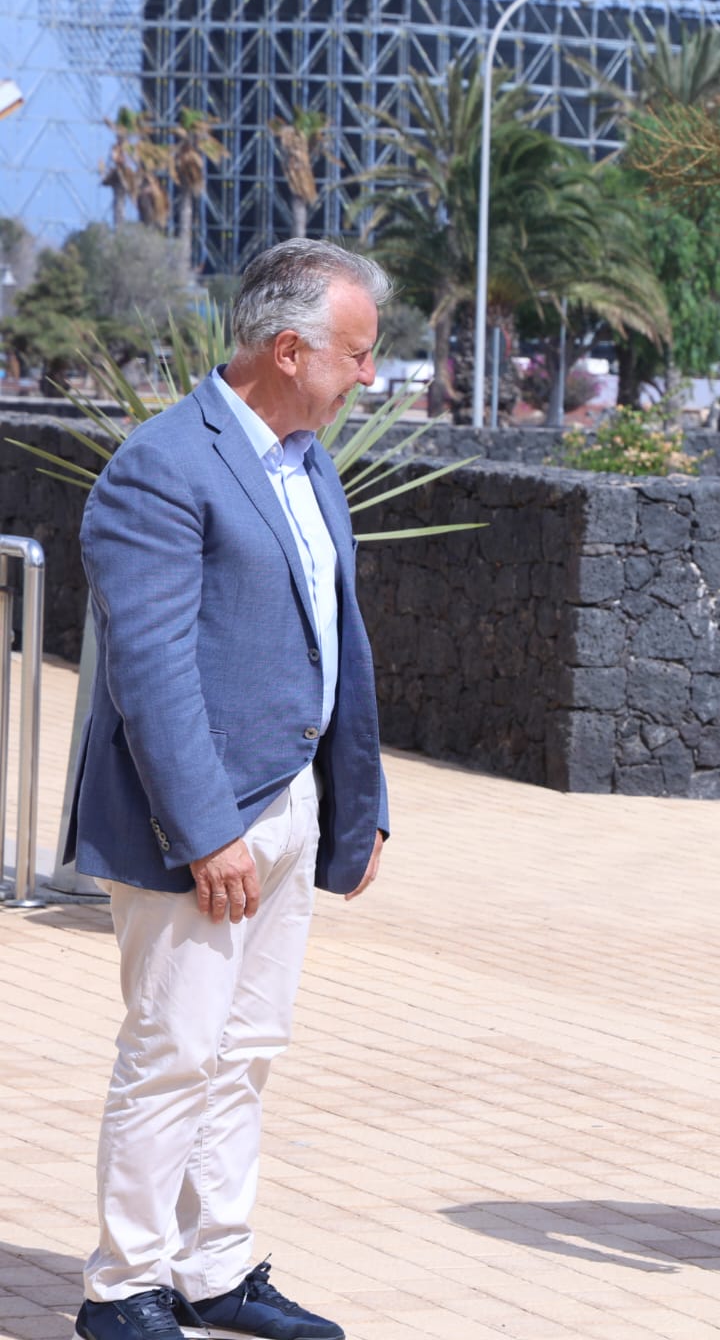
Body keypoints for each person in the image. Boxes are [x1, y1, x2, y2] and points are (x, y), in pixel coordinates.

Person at [66, 238, 392, 1340]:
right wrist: (209, 832)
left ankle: (214, 1267)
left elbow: (334, 639)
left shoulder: (308, 463)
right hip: (199, 822)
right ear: (288, 347)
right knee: (174, 1048)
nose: (368, 376)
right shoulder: (163, 465)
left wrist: (359, 802)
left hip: (289, 806)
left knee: (245, 1053)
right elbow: (151, 672)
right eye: (356, 353)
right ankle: (124, 1288)